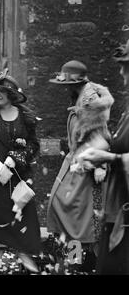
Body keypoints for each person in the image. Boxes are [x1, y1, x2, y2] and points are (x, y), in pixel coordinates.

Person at [47, 61, 113, 267]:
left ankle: (83, 260)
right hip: (74, 161)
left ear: (75, 83)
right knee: (59, 206)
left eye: (67, 84)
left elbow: (102, 135)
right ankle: (67, 258)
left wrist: (100, 165)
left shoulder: (90, 102)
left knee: (80, 214)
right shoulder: (80, 99)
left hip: (87, 164)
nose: (65, 89)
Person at [0, 69, 41, 271]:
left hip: (19, 175)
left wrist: (15, 159)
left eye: (1, 91)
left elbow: (33, 144)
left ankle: (23, 253)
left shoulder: (26, 117)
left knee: (24, 213)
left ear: (11, 94)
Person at [78, 40, 129, 274]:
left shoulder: (98, 119)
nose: (121, 72)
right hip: (82, 179)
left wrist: (104, 159)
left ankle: (79, 262)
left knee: (86, 229)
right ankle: (75, 262)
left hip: (103, 189)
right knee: (70, 226)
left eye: (126, 66)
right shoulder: (76, 115)